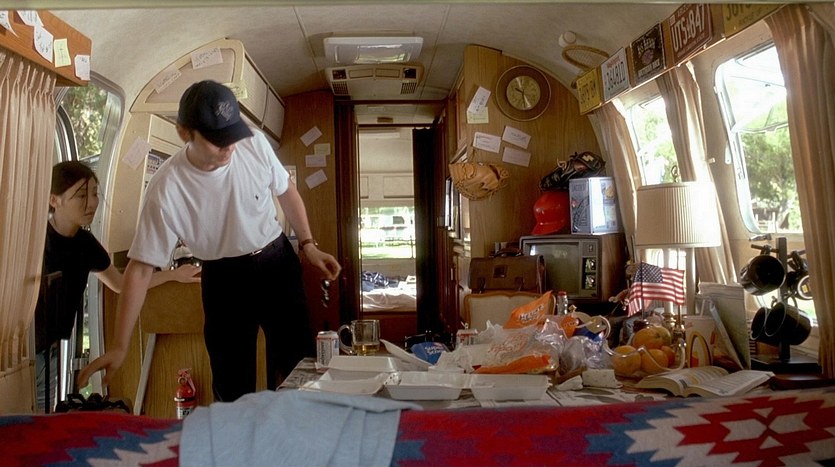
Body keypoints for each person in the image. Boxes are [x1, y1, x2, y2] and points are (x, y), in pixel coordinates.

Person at [78, 80, 341, 402]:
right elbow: (140, 268)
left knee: (298, 367)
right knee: (232, 386)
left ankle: (299, 431)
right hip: (225, 280)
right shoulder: (167, 188)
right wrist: (120, 346)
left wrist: (308, 245)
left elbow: (286, 190)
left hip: (277, 263)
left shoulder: (253, 143)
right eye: (217, 140)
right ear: (184, 133)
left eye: (232, 135)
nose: (229, 147)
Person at [37, 161, 202, 411]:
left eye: (94, 194)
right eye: (81, 196)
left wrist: (174, 275)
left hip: (52, 351)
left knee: (40, 419)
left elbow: (121, 284)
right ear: (54, 200)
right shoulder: (36, 241)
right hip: (23, 351)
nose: (91, 203)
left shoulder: (86, 244)